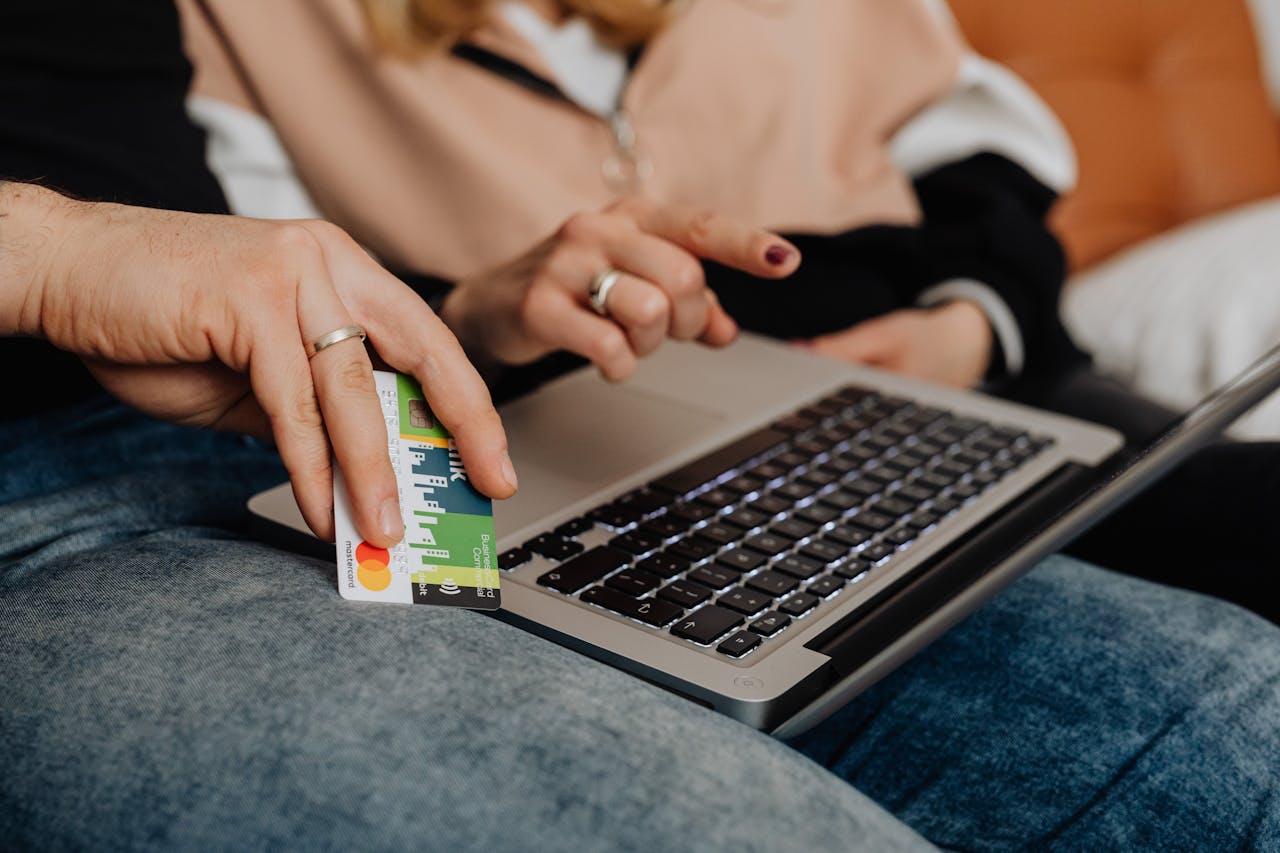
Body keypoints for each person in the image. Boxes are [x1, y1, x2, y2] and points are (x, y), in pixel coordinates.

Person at [4, 3, 1280, 850]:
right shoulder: (281, 30)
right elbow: (241, 256)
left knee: (1239, 716)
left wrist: (974, 316)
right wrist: (55, 254)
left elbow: (982, 153)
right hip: (219, 478)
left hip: (875, 382)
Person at [176, 0, 1280, 621]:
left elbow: (990, 175)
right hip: (643, 456)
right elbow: (288, 317)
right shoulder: (261, 27)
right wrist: (468, 316)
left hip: (967, 372)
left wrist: (971, 325)